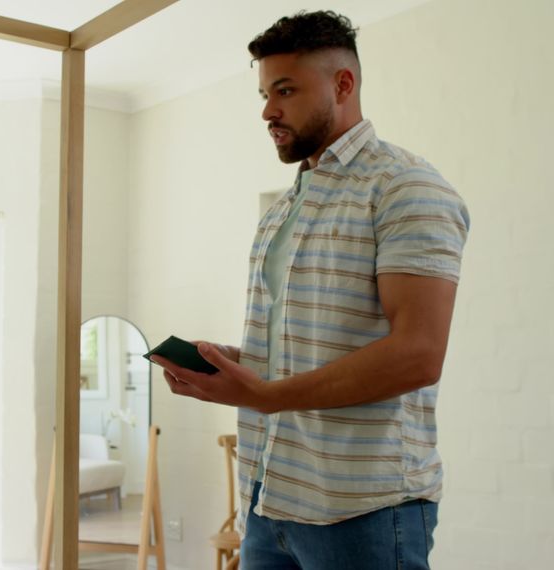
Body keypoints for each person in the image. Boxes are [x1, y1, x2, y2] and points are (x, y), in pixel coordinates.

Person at [150, 10, 469, 569]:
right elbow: (305, 349)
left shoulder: (406, 187)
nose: (268, 110)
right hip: (268, 500)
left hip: (364, 510)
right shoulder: (282, 211)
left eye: (286, 90)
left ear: (343, 84)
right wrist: (236, 363)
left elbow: (418, 354)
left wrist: (265, 395)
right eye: (264, 93)